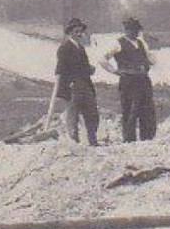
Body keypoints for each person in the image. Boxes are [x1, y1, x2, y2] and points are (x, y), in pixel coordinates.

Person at [102, 17, 157, 142]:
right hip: (129, 80)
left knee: (147, 108)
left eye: (136, 30)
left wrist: (150, 58)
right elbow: (102, 59)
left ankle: (147, 137)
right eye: (132, 30)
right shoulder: (117, 43)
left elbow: (152, 60)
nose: (135, 32)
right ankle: (129, 139)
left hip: (143, 79)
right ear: (126, 30)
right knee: (130, 108)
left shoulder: (142, 43)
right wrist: (115, 71)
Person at [54, 17, 99, 146]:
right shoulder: (64, 48)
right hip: (73, 86)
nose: (79, 34)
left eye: (81, 31)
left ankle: (92, 140)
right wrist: (67, 85)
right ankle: (74, 142)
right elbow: (61, 69)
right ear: (70, 32)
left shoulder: (81, 48)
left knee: (91, 113)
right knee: (73, 114)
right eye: (76, 31)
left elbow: (82, 66)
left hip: (85, 84)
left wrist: (89, 69)